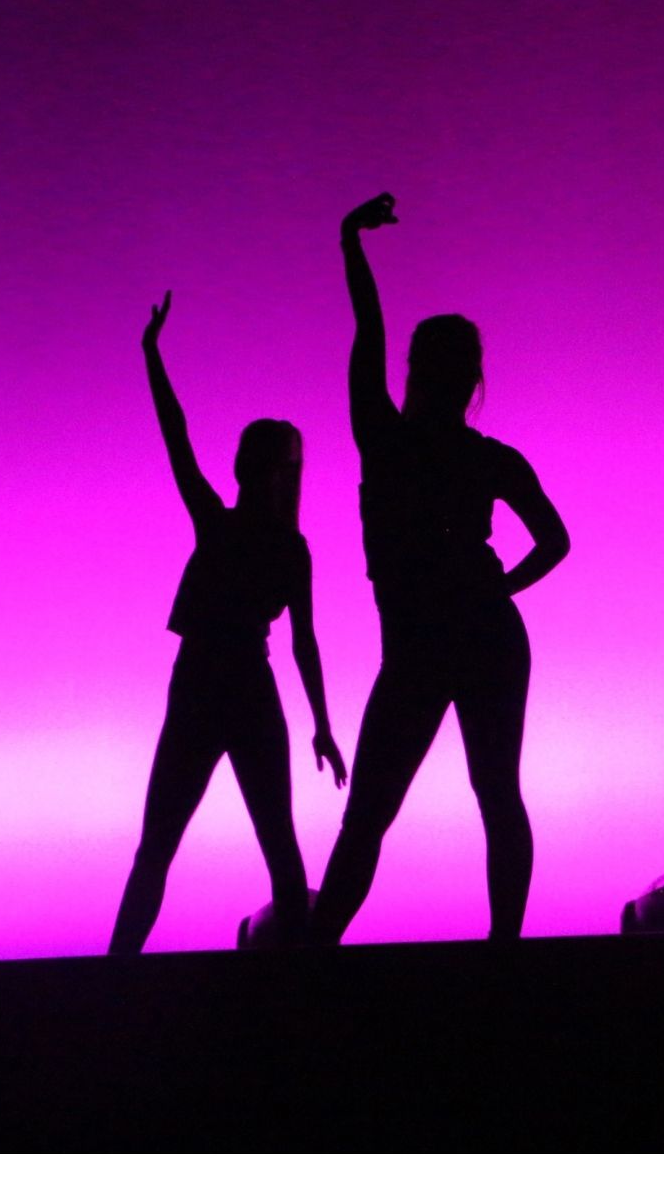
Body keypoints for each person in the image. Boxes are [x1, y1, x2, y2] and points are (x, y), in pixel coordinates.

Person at [312, 194, 571, 945]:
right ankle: (502, 950)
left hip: (430, 644)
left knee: (373, 812)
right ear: (470, 380)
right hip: (485, 633)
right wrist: (501, 586)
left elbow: (367, 330)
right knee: (496, 794)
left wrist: (349, 240)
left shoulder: (385, 439)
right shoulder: (487, 458)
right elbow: (554, 541)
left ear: (418, 372)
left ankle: (315, 947)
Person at [111, 291, 347, 954]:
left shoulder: (245, 534)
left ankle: (115, 969)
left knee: (186, 843)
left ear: (259, 470)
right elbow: (177, 437)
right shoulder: (269, 540)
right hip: (228, 684)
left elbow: (305, 642)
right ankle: (117, 966)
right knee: (218, 842)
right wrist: (152, 356)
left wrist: (325, 725)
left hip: (219, 683)